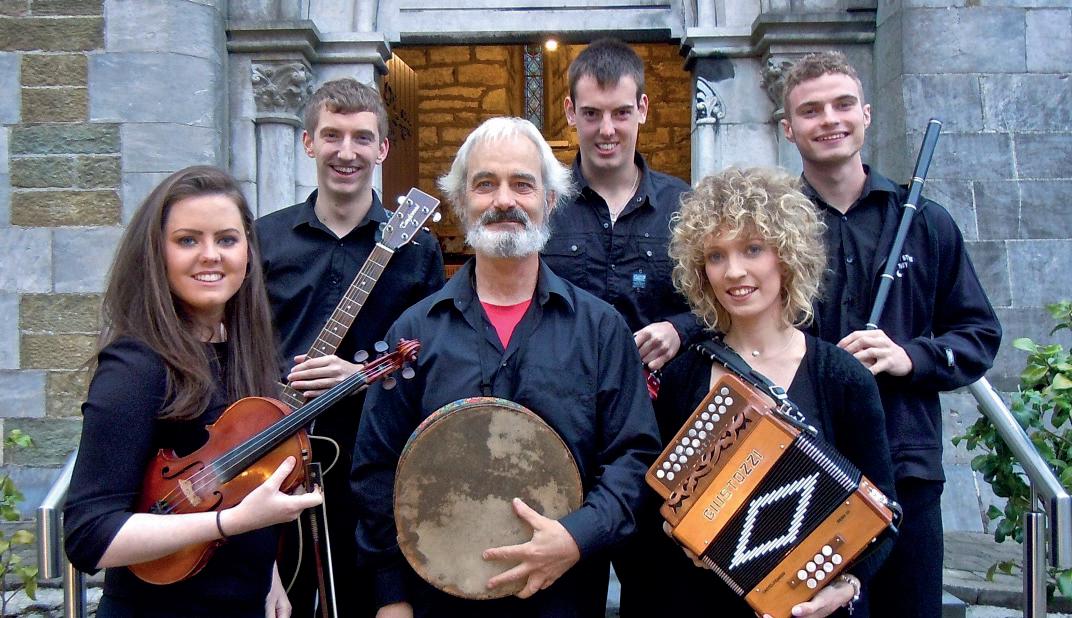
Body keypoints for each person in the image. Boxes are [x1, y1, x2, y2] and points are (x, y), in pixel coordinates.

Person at [351, 117, 661, 618]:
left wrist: (576, 537)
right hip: (439, 605)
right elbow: (375, 469)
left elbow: (634, 456)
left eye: (522, 184)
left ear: (549, 201)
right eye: (485, 184)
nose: (503, 200)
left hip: (564, 601)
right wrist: (392, 597)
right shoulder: (414, 332)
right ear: (461, 202)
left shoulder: (601, 329)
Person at [780, 51, 1002, 617]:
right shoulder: (775, 230)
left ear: (867, 114)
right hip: (808, 465)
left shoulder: (926, 221)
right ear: (788, 129)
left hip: (906, 463)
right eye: (811, 110)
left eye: (843, 104)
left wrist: (911, 357)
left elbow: (978, 334)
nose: (830, 119)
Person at [632, 166, 895, 618]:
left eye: (752, 249)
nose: (734, 271)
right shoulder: (681, 376)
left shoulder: (843, 378)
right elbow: (651, 506)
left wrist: (847, 586)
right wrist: (675, 531)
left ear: (786, 255)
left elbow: (882, 515)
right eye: (716, 255)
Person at [64, 166, 323, 617]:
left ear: (248, 251)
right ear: (157, 253)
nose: (211, 255)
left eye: (227, 239)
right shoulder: (135, 366)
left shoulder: (247, 353)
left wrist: (269, 576)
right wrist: (232, 522)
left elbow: (239, 484)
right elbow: (90, 536)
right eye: (187, 240)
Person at [256, 78, 445, 617]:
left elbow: (430, 355)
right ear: (308, 143)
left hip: (372, 455)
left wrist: (359, 376)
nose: (347, 152)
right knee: (278, 597)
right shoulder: (263, 239)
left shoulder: (418, 248)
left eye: (362, 138)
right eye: (332, 135)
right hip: (272, 452)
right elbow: (242, 344)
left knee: (367, 599)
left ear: (382, 149)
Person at [542, 38, 701, 373]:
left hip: (661, 393)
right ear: (570, 111)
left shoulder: (684, 205)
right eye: (591, 114)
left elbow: (720, 304)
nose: (607, 130)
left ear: (642, 109)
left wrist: (679, 329)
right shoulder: (544, 204)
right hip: (565, 389)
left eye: (621, 113)